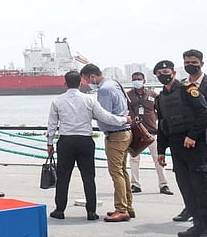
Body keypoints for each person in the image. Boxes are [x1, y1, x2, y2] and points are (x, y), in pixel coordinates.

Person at [47, 70, 131, 221]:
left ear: (64, 83)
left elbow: (52, 124)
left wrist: (50, 143)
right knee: (88, 176)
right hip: (85, 140)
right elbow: (105, 116)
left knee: (63, 176)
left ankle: (59, 210)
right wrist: (124, 120)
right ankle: (91, 212)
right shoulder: (89, 100)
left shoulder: (57, 101)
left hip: (66, 140)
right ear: (80, 83)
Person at [155, 57, 207, 237]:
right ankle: (197, 224)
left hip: (194, 145)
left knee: (199, 186)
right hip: (176, 147)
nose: (164, 75)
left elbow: (204, 112)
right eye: (160, 73)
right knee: (185, 186)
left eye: (166, 72)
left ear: (174, 73)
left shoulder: (188, 89)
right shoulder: (160, 97)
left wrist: (192, 135)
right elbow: (162, 125)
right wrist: (161, 151)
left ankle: (202, 226)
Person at [79, 63, 133, 222]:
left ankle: (121, 209)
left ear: (92, 77)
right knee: (123, 171)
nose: (87, 84)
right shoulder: (114, 83)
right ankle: (128, 205)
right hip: (125, 132)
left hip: (115, 134)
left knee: (116, 172)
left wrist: (88, 111)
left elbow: (105, 115)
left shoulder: (104, 90)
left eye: (86, 80)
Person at [127, 70, 172, 195]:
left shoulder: (153, 94)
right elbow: (127, 111)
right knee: (134, 159)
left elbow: (160, 111)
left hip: (152, 131)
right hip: (136, 132)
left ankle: (164, 184)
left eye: (139, 79)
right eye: (134, 79)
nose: (137, 81)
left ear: (144, 81)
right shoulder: (128, 95)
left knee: (158, 158)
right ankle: (135, 184)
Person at [174, 50, 206, 224]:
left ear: (201, 63)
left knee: (202, 182)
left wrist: (194, 134)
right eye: (186, 63)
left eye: (193, 62)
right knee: (187, 180)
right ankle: (192, 210)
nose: (189, 65)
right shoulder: (182, 85)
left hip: (201, 139)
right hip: (186, 142)